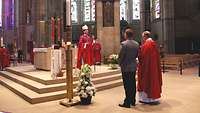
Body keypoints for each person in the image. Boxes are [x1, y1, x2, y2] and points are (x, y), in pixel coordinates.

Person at [137, 31, 162, 104]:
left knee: (147, 81)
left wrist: (138, 58)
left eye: (143, 37)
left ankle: (146, 99)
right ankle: (153, 99)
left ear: (145, 36)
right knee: (153, 81)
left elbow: (142, 57)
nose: (143, 39)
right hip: (154, 67)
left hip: (147, 68)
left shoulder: (146, 45)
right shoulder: (154, 44)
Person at [118, 28, 139, 108]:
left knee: (127, 85)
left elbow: (121, 56)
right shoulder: (136, 44)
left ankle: (127, 102)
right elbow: (137, 55)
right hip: (133, 67)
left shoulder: (124, 44)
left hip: (126, 67)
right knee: (133, 84)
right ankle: (133, 101)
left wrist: (120, 63)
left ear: (126, 35)